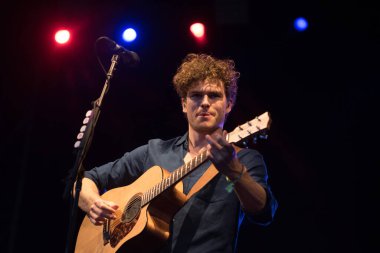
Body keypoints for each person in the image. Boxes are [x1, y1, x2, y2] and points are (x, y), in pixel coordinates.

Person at [75, 53, 278, 252]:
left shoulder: (244, 159)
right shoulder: (153, 152)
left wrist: (233, 170)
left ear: (229, 104)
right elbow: (83, 181)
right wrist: (93, 203)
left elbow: (263, 213)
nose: (205, 102)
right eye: (196, 95)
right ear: (183, 104)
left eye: (214, 95)